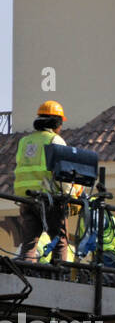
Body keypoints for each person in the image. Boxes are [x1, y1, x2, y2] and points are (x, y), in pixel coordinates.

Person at [13, 100, 70, 260]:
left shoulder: (24, 142)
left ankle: (26, 272)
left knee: (29, 243)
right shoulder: (54, 140)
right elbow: (62, 173)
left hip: (26, 199)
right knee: (60, 240)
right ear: (57, 123)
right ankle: (59, 276)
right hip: (49, 199)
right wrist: (67, 194)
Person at [74, 203, 115, 269]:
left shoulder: (94, 212)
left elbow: (91, 238)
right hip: (113, 249)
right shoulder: (90, 209)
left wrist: (79, 256)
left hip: (114, 251)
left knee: (107, 276)